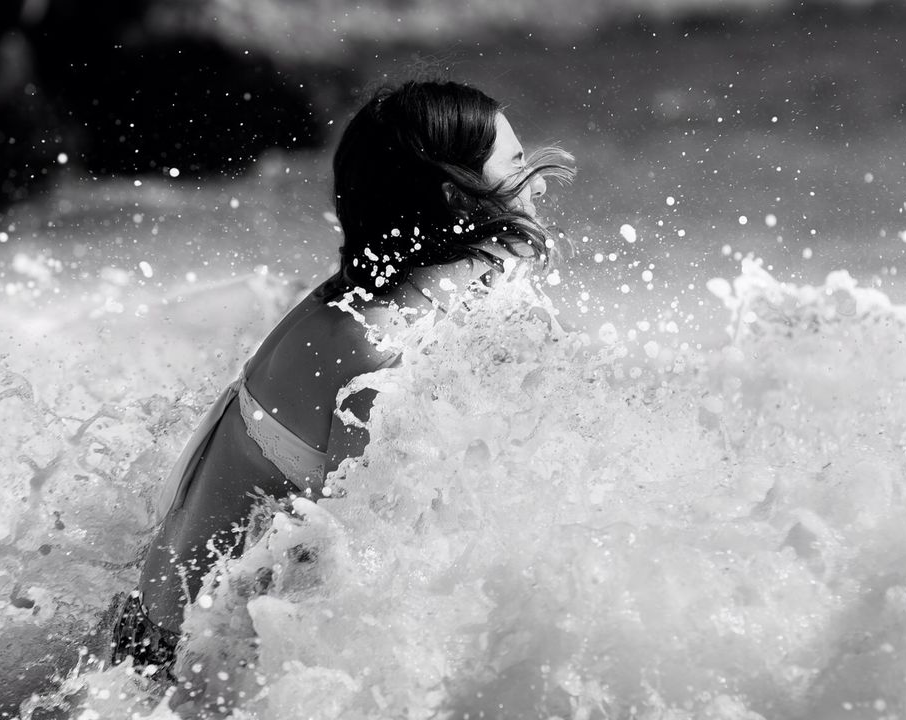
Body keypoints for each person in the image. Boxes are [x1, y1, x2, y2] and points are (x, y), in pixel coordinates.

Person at [110, 78, 575, 679]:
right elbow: (356, 576)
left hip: (144, 638)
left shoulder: (354, 302)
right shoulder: (377, 354)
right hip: (177, 672)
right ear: (457, 198)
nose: (535, 182)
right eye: (514, 164)